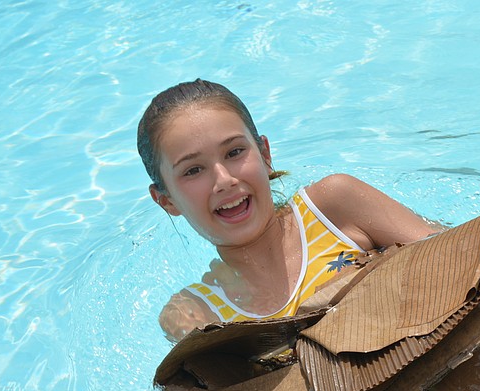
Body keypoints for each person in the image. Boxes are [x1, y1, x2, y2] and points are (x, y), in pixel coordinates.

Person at [138, 79, 438, 342]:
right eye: (193, 170)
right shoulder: (197, 313)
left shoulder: (334, 208)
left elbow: (461, 252)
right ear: (167, 200)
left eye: (234, 152)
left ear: (265, 154)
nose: (224, 180)